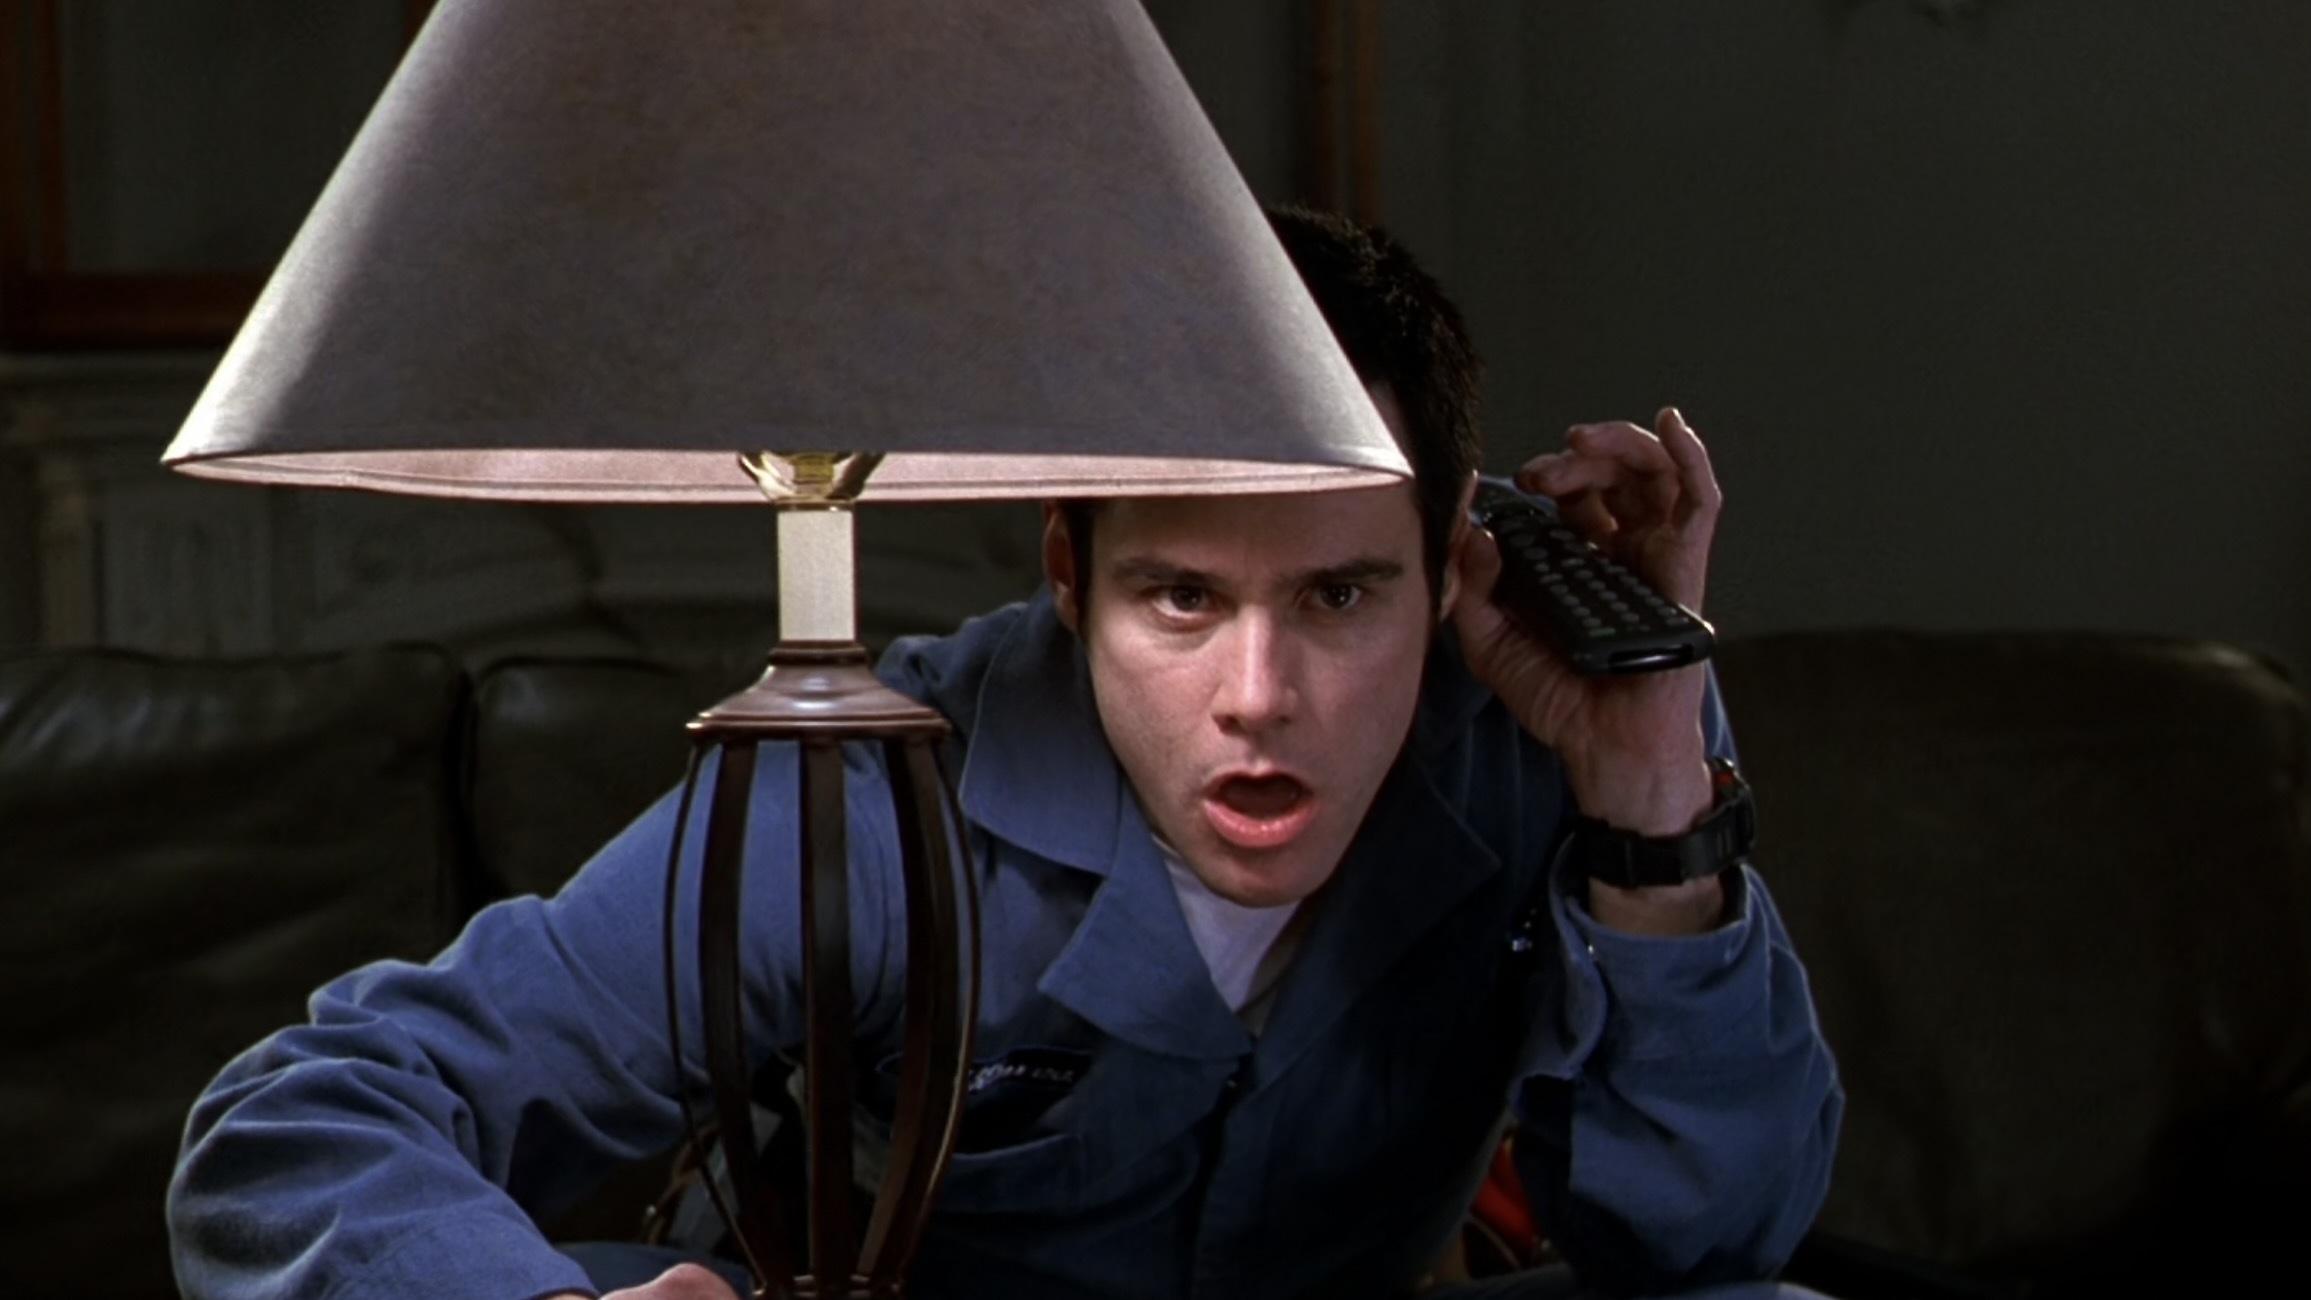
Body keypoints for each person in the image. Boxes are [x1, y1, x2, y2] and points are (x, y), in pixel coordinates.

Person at [169, 207, 1841, 1300]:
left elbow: (1708, 1239)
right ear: (1066, 576)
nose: (1259, 695)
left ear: (1452, 563)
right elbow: (300, 1119)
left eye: (1341, 596)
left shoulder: (1535, 741)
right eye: (1181, 598)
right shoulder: (873, 788)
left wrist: (1652, 803)